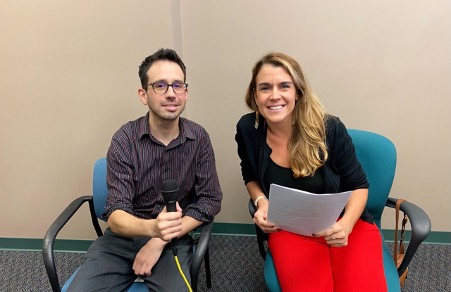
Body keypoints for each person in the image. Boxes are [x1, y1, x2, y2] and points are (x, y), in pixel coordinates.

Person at [69, 48, 222, 291]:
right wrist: (152, 229)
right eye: (160, 85)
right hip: (122, 239)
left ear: (186, 92)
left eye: (177, 85)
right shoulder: (124, 139)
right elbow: (117, 214)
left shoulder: (199, 138)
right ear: (143, 94)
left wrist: (159, 240)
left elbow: (210, 200)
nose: (171, 93)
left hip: (173, 240)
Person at [235, 52, 387, 291]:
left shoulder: (329, 128)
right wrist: (262, 201)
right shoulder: (248, 128)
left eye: (284, 86)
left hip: (343, 222)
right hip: (289, 228)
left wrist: (346, 225)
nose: (274, 95)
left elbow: (359, 186)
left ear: (298, 92)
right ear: (255, 95)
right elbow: (250, 175)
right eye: (265, 88)